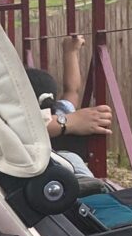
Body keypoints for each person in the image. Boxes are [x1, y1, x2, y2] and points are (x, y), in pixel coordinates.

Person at [25, 34, 112, 178]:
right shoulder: (61, 112)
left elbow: (71, 91)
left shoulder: (17, 117)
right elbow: (72, 90)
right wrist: (70, 52)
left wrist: (70, 52)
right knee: (75, 164)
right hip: (67, 166)